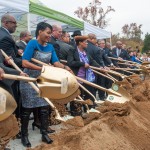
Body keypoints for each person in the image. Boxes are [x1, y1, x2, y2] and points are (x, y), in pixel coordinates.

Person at [20, 22, 71, 148]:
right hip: (29, 80)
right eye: (48, 33)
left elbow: (56, 62)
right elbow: (25, 63)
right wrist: (41, 68)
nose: (49, 36)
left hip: (43, 80)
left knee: (44, 108)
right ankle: (24, 135)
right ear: (40, 32)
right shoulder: (32, 43)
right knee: (27, 109)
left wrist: (64, 67)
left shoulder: (50, 47)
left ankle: (44, 132)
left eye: (50, 33)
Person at [67, 35, 100, 108]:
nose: (87, 43)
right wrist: (82, 64)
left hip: (87, 78)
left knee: (89, 94)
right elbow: (70, 62)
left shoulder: (86, 51)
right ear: (80, 43)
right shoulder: (73, 50)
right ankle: (76, 113)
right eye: (85, 42)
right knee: (77, 96)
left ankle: (89, 109)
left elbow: (91, 61)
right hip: (77, 78)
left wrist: (101, 67)